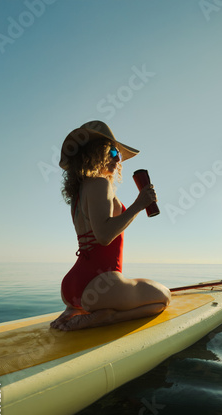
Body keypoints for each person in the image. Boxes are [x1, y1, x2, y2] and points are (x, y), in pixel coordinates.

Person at [50, 120, 171, 331]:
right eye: (114, 152)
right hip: (100, 284)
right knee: (163, 298)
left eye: (120, 155)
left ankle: (75, 309)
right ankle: (105, 317)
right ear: (97, 153)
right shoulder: (100, 183)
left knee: (140, 284)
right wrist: (138, 205)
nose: (118, 159)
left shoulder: (79, 193)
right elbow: (104, 236)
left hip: (72, 285)